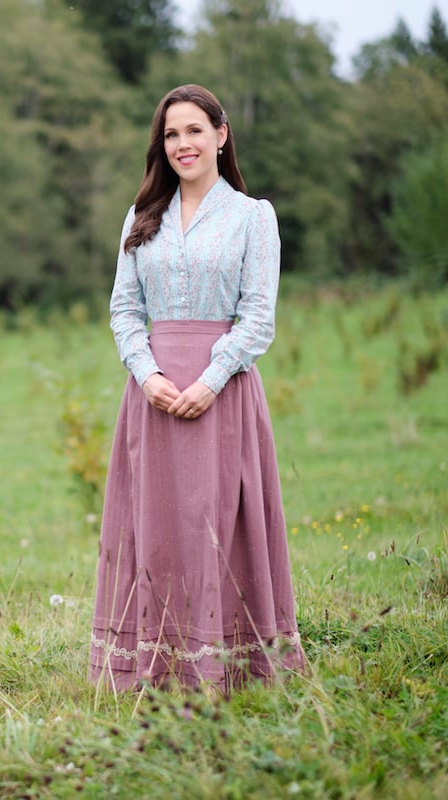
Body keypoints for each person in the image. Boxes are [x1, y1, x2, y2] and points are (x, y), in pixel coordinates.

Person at [88, 84, 305, 693]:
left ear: (221, 134)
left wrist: (209, 381)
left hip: (223, 390)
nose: (183, 143)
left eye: (194, 130)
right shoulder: (141, 218)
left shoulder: (251, 217)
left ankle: (230, 666)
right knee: (153, 523)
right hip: (152, 394)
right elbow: (125, 310)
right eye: (171, 134)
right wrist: (147, 372)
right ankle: (152, 667)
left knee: (220, 521)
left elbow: (258, 316)